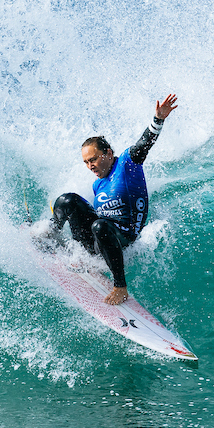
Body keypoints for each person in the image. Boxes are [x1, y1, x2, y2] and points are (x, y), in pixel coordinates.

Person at [48, 94, 178, 305]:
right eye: (86, 162)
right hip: (100, 238)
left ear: (108, 153)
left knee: (100, 225)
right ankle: (51, 235)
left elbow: (145, 143)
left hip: (122, 238)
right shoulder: (97, 184)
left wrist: (158, 119)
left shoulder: (127, 164)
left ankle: (120, 287)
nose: (90, 165)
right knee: (67, 200)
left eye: (93, 159)